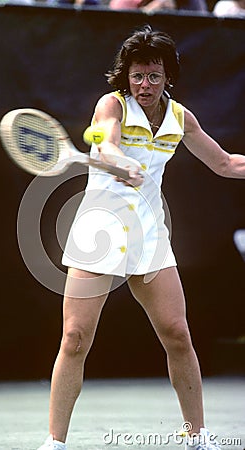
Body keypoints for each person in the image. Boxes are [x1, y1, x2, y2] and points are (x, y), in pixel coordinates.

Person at [37, 25, 245, 450]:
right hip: (100, 228)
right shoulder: (111, 106)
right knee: (75, 337)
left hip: (149, 234)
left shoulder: (181, 118)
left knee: (177, 333)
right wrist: (119, 162)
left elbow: (224, 163)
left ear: (168, 76)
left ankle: (197, 437)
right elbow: (107, 146)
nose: (144, 84)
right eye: (136, 75)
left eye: (153, 75)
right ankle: (55, 443)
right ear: (125, 76)